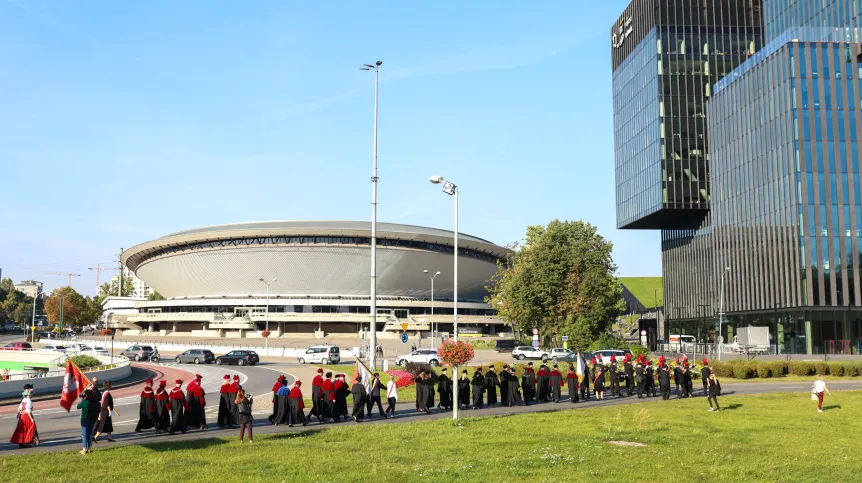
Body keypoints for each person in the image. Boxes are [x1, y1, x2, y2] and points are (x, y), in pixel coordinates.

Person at [10, 384, 39, 448]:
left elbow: (19, 408)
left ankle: (21, 442)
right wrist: (31, 418)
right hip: (27, 416)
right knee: (29, 429)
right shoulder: (29, 401)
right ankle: (26, 442)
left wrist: (20, 413)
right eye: (31, 393)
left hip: (22, 416)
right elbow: (28, 411)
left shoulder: (23, 399)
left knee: (21, 429)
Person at [77, 389, 96, 455]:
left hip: (84, 418)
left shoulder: (84, 401)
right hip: (91, 418)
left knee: (84, 434)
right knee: (90, 433)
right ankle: (89, 448)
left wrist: (82, 399)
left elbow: (78, 406)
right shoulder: (92, 401)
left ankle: (84, 448)